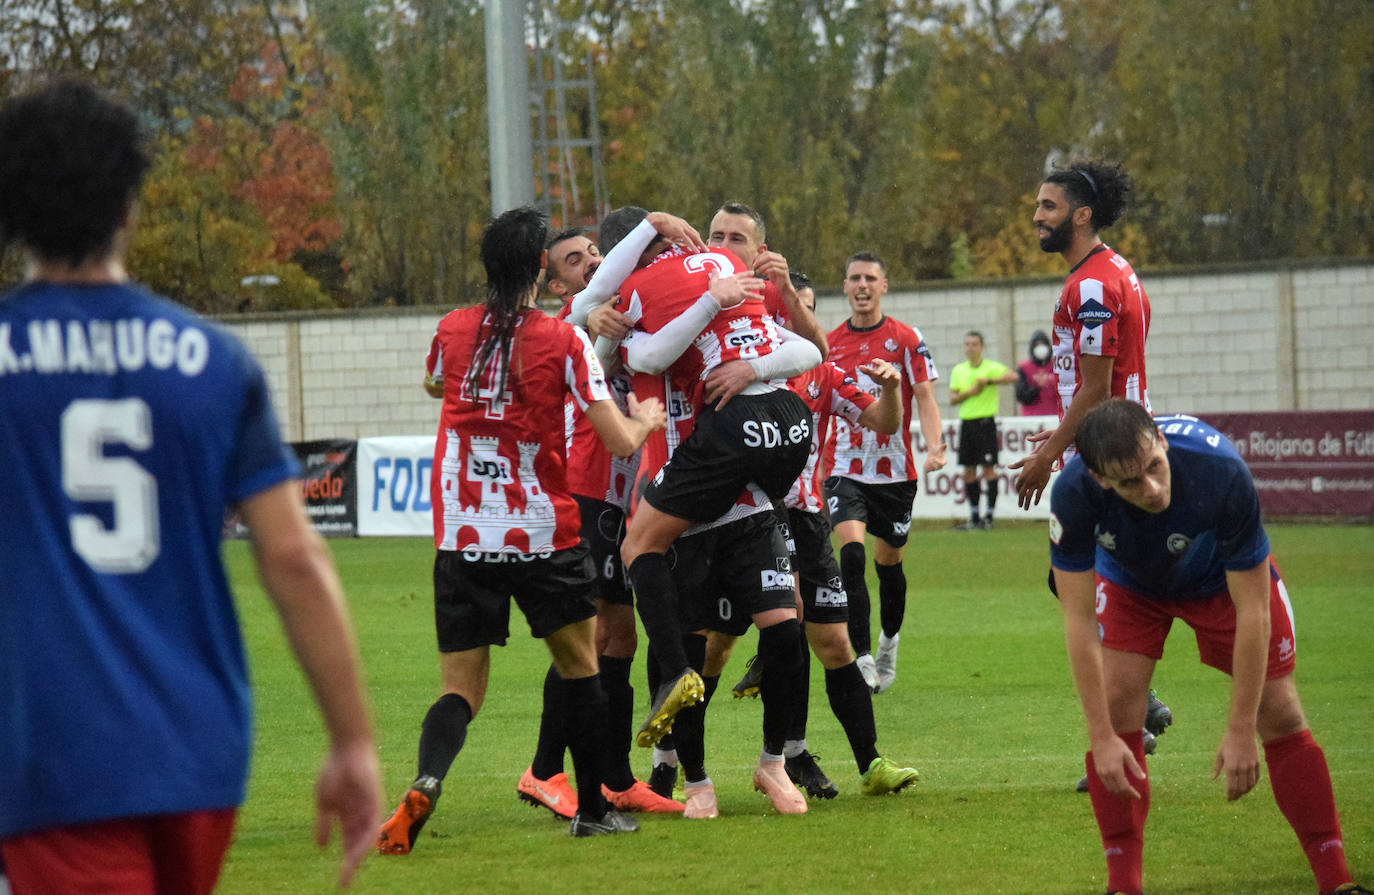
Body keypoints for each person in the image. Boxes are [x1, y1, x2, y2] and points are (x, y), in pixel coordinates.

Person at [0, 77, 381, 892]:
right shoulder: (213, 360)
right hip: (201, 753)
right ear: (132, 204)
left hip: (58, 759)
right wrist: (352, 742)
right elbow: (295, 559)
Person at [376, 207, 669, 851]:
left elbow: (433, 384)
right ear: (540, 269)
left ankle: (427, 777)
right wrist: (646, 418)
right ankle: (590, 808)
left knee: (459, 690)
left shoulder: (451, 331)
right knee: (581, 667)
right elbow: (618, 441)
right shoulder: (562, 340)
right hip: (541, 532)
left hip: (462, 534)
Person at [1051, 399, 1369, 895]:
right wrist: (1100, 737)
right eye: (1131, 482)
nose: (1152, 489)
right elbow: (1076, 620)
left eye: (1155, 467)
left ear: (1159, 438)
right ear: (1099, 479)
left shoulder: (1220, 470)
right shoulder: (1072, 494)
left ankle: (1336, 880)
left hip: (1221, 582)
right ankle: (1123, 886)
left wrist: (1241, 729)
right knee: (1115, 714)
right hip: (1131, 583)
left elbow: (1254, 610)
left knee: (1280, 713)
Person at [575, 206, 822, 751]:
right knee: (749, 619)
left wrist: (609, 327)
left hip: (700, 459)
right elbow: (590, 331)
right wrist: (603, 326)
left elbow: (637, 351)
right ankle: (732, 761)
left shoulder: (664, 295)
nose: (722, 244)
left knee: (654, 592)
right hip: (762, 444)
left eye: (738, 237)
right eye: (717, 234)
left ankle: (694, 738)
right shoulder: (699, 286)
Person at [724, 272, 923, 800]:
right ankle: (669, 763)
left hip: (808, 523)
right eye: (791, 310)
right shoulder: (737, 373)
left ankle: (868, 763)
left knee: (832, 643)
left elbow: (883, 421)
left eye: (808, 310)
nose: (802, 323)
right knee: (717, 650)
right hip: (747, 520)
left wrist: (893, 390)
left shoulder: (824, 375)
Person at [515, 227, 685, 820]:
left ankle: (615, 777)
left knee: (619, 638)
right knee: (585, 638)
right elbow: (571, 338)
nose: (590, 262)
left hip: (622, 493)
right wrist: (593, 327)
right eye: (574, 259)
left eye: (594, 253)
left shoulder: (626, 309)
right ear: (554, 281)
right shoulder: (571, 321)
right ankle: (543, 770)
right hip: (586, 485)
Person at [823, 251, 947, 693]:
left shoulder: (906, 338)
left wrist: (935, 447)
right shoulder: (829, 342)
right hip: (843, 469)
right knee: (851, 556)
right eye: (854, 277)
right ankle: (862, 658)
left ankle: (888, 642)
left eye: (870, 278)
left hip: (895, 473)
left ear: (883, 286)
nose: (861, 285)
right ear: (844, 286)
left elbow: (927, 397)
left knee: (888, 564)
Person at [1012, 160, 1151, 509]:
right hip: (1120, 438)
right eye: (1037, 206)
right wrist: (1064, 435)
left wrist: (1047, 457)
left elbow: (1097, 387)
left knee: (1078, 563)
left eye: (1049, 206)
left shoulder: (1092, 286)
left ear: (1081, 215)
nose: (1037, 217)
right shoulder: (1117, 267)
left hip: (1109, 451)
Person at [948, 330, 1018, 530]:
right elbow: (952, 398)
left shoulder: (990, 368)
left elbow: (1013, 376)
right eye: (967, 344)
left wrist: (988, 382)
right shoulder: (959, 370)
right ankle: (974, 516)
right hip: (967, 424)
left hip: (985, 423)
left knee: (988, 469)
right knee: (969, 470)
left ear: (982, 347)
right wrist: (971, 392)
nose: (970, 348)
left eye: (974, 344)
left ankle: (989, 516)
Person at [1015, 330, 1059, 416]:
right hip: (1032, 420)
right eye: (1037, 345)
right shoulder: (1024, 368)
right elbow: (1021, 397)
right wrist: (1037, 387)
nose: (1040, 348)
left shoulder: (1057, 366)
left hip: (1055, 417)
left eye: (1043, 344)